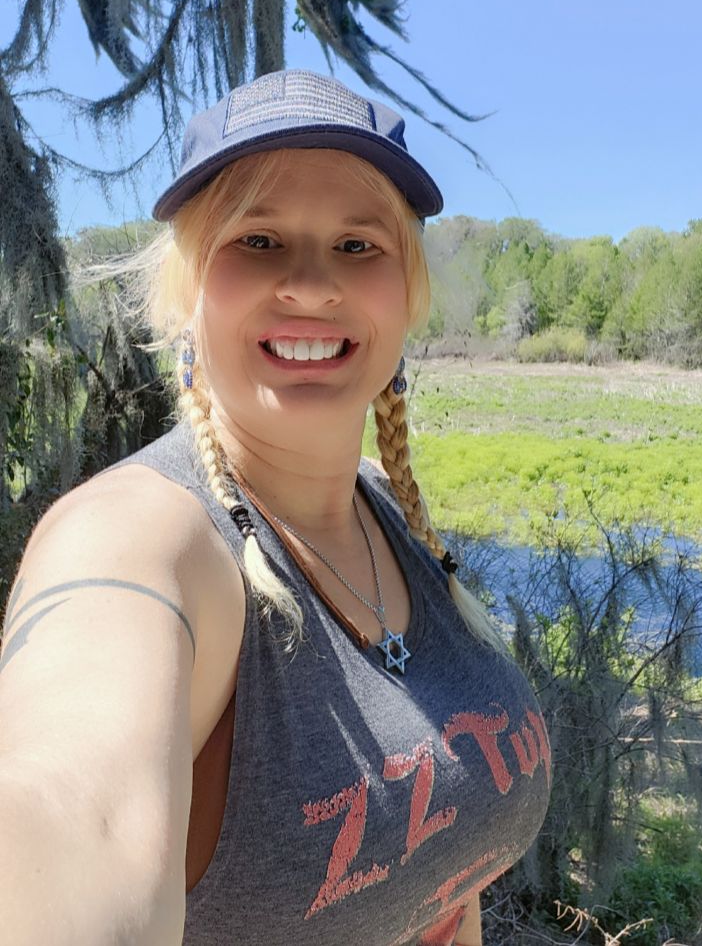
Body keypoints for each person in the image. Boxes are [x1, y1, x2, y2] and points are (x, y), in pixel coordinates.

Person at [0, 69, 551, 946]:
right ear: (187, 292)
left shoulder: (391, 512)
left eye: (358, 246)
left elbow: (446, 872)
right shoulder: (138, 543)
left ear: (407, 295)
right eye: (257, 240)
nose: (310, 283)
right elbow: (71, 806)